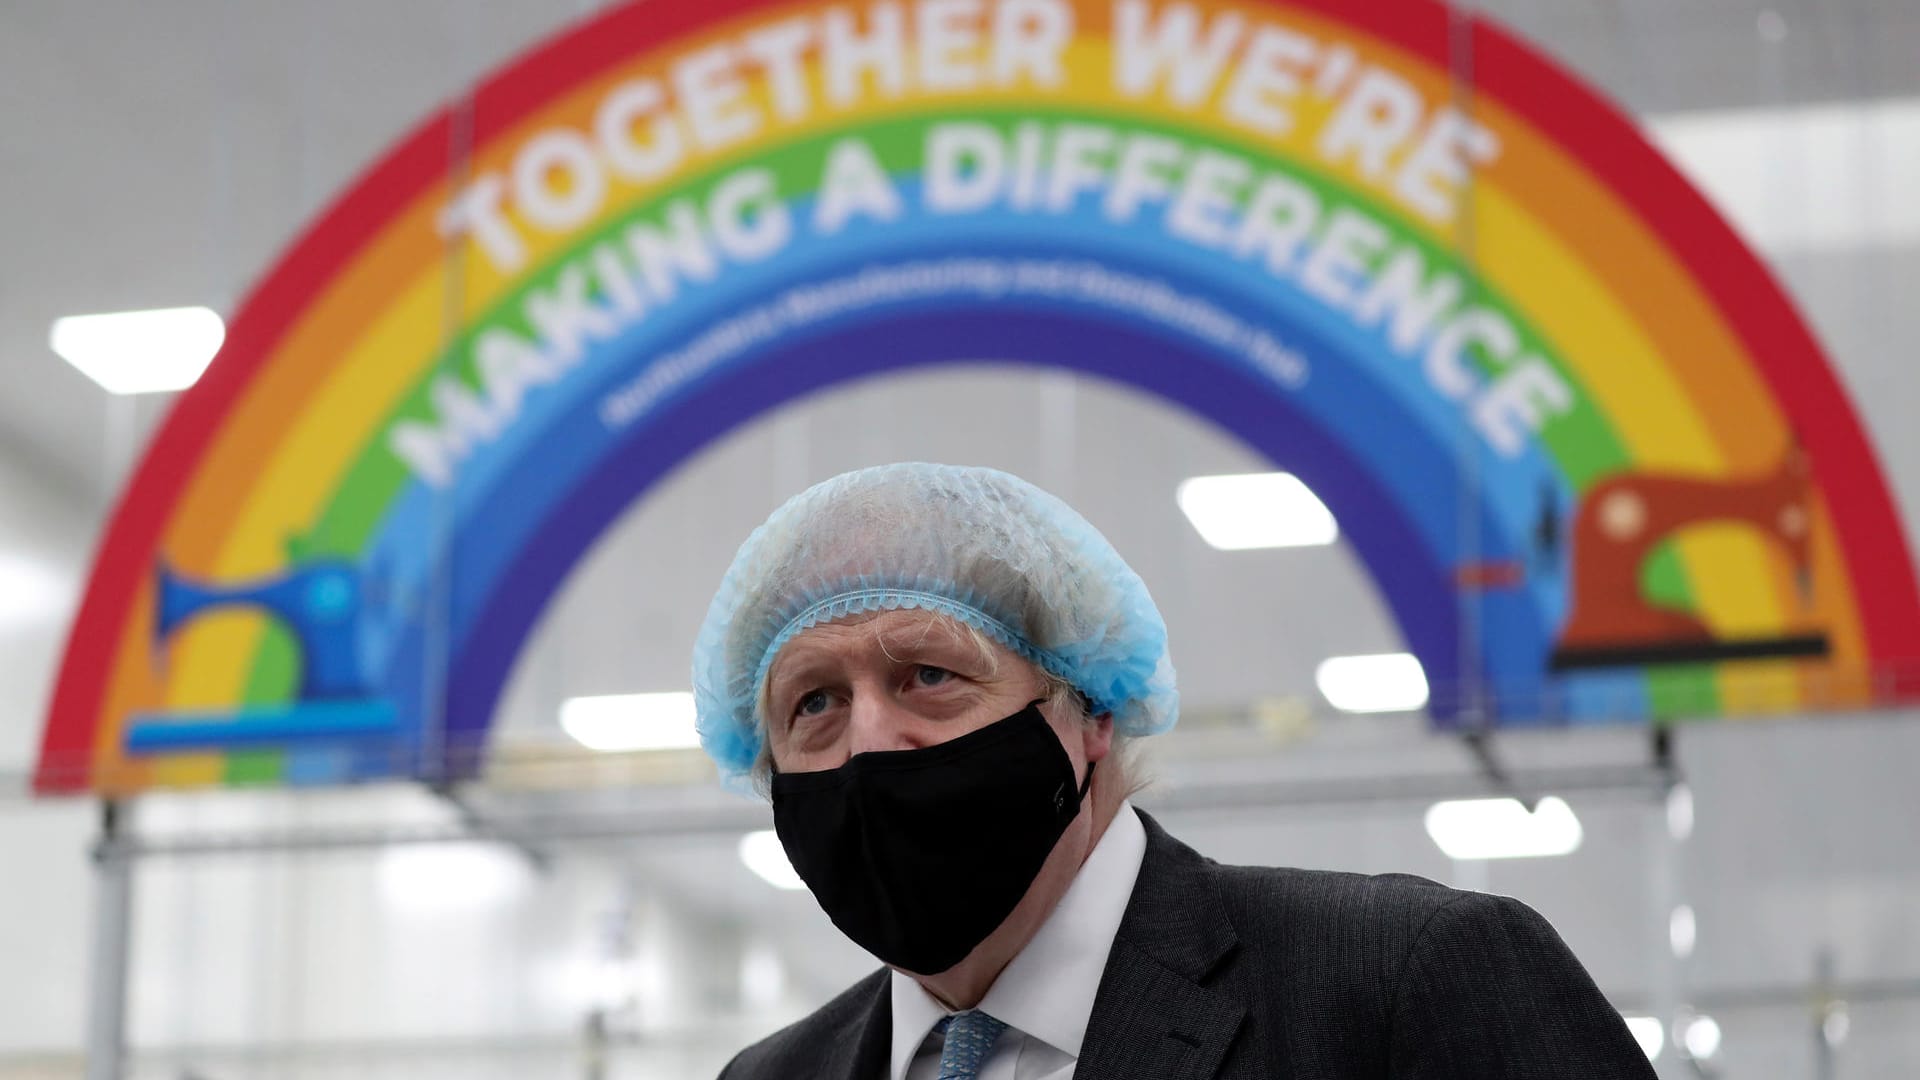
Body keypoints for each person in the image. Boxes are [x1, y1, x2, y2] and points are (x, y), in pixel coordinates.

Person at [694, 462, 1655, 1079]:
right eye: (813, 702)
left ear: (1090, 709)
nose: (867, 744)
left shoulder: (1404, 986)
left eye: (931, 675)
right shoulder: (771, 1076)